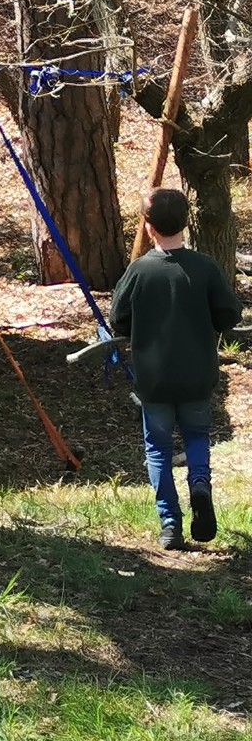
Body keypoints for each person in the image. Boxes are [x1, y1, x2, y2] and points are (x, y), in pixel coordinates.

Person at [109, 187, 243, 550]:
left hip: (154, 381)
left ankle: (170, 525)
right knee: (198, 437)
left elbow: (118, 320)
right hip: (197, 376)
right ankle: (199, 484)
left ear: (149, 228)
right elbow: (230, 314)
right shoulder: (204, 268)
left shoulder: (139, 271)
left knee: (158, 449)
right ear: (186, 223)